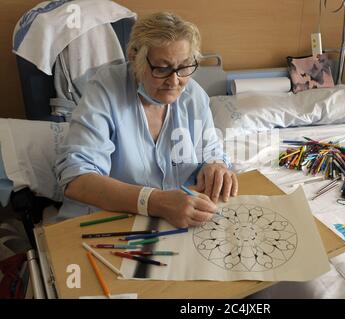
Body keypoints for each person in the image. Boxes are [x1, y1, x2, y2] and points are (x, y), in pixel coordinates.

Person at [55, 12, 238, 228]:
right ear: (134, 57)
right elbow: (78, 180)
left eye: (184, 67)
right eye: (162, 68)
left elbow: (212, 152)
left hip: (177, 223)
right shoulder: (105, 90)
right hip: (113, 222)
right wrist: (157, 202)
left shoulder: (194, 96)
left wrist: (215, 166)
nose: (175, 81)